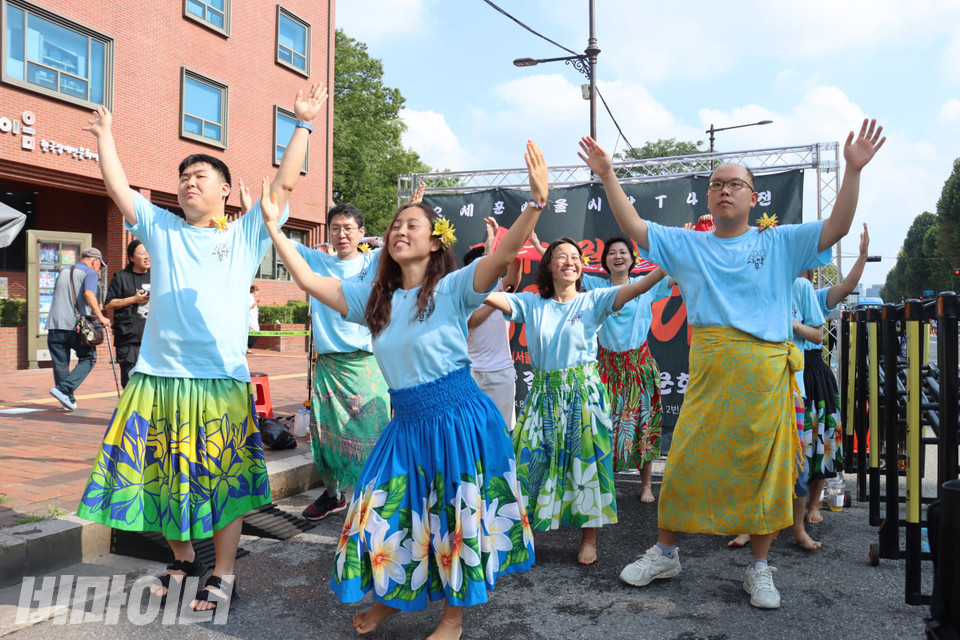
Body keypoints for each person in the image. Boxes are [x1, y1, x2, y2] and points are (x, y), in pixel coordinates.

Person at [578, 118, 885, 609]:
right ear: (708, 196)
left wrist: (852, 171)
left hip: (765, 377)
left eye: (735, 184)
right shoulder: (689, 245)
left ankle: (760, 568)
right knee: (684, 461)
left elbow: (837, 227)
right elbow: (634, 227)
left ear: (753, 197)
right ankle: (665, 553)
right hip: (711, 373)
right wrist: (608, 174)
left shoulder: (779, 242)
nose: (724, 190)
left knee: (764, 471)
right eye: (716, 183)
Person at [261, 141, 547, 640]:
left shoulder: (455, 287)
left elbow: (502, 255)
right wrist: (273, 228)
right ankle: (392, 600)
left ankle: (452, 619)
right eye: (395, 225)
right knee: (382, 516)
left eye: (411, 224)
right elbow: (306, 278)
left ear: (435, 241)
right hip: (406, 425)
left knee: (454, 522)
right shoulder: (373, 298)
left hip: (458, 419)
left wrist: (536, 204)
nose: (399, 231)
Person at [75, 82, 327, 614]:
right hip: (158, 377)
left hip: (219, 379)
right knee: (161, 475)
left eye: (201, 176)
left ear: (226, 191)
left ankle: (224, 573)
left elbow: (283, 186)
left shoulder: (244, 235)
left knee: (224, 482)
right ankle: (183, 559)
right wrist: (104, 138)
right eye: (184, 177)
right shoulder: (162, 228)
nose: (189, 182)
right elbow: (118, 188)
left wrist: (302, 124)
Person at [484, 238, 668, 565]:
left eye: (575, 256)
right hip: (543, 394)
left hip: (583, 394)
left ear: (581, 267)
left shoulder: (594, 300)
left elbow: (640, 287)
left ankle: (589, 539)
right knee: (529, 463)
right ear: (548, 265)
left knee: (587, 467)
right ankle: (523, 535)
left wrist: (668, 260)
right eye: (561, 256)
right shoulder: (532, 303)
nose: (569, 261)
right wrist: (486, 261)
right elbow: (482, 292)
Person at [293, 202, 390, 521]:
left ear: (361, 232)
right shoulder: (317, 260)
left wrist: (412, 209)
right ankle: (333, 494)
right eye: (335, 228)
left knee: (371, 431)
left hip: (365, 363)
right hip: (327, 365)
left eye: (348, 228)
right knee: (326, 433)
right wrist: (268, 215)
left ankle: (375, 496)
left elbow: (403, 243)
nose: (342, 234)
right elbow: (281, 241)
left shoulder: (374, 261)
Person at [582, 236, 673, 503]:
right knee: (603, 429)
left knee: (644, 428)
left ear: (632, 260)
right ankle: (605, 486)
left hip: (639, 368)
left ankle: (646, 486)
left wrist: (692, 238)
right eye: (612, 253)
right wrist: (536, 245)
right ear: (605, 260)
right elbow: (565, 268)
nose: (618, 256)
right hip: (607, 370)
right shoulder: (596, 287)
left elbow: (673, 272)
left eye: (623, 252)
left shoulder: (645, 285)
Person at [803, 223, 870, 523]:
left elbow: (846, 287)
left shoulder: (816, 297)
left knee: (821, 439)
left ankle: (814, 505)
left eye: (802, 272)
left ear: (809, 277)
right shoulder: (774, 296)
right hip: (782, 371)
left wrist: (862, 256)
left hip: (815, 374)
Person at [464, 217, 523, 429]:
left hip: (501, 373)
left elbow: (515, 265)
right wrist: (496, 301)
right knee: (471, 431)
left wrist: (502, 239)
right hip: (470, 373)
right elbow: (472, 321)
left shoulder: (502, 285)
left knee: (502, 430)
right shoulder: (462, 292)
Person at [47, 247, 110, 410]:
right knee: (89, 358)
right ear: (95, 261)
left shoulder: (63, 271)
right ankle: (64, 390)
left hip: (54, 324)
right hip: (75, 326)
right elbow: (89, 294)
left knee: (61, 364)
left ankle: (67, 399)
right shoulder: (90, 272)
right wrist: (101, 316)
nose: (99, 269)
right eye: (100, 265)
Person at [103, 240, 150, 387]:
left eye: (149, 252)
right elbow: (109, 304)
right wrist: (133, 299)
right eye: (142, 253)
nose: (147, 256)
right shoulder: (121, 277)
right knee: (131, 383)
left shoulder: (159, 276)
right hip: (130, 340)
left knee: (152, 384)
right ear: (131, 258)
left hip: (154, 340)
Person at [248, 284, 260, 349]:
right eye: (257, 291)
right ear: (254, 291)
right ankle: (249, 345)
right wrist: (256, 303)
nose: (258, 293)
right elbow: (250, 306)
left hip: (253, 318)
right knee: (255, 331)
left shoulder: (251, 297)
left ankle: (249, 346)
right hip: (251, 318)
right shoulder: (249, 297)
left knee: (254, 331)